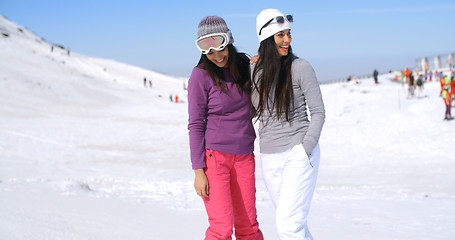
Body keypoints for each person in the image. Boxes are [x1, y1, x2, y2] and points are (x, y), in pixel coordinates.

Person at [251, 9, 325, 240]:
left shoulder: (300, 67)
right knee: (295, 226)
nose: (287, 40)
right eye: (280, 35)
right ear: (266, 38)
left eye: (288, 34)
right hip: (269, 157)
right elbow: (254, 106)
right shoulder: (255, 70)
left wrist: (306, 149)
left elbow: (319, 112)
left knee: (287, 227)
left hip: (298, 152)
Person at [187, 16, 263, 240]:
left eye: (220, 49)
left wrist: (262, 63)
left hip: (244, 156)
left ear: (228, 41)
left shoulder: (242, 65)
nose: (217, 56)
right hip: (215, 159)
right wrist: (199, 171)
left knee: (248, 225)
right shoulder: (200, 76)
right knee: (221, 227)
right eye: (209, 52)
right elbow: (195, 124)